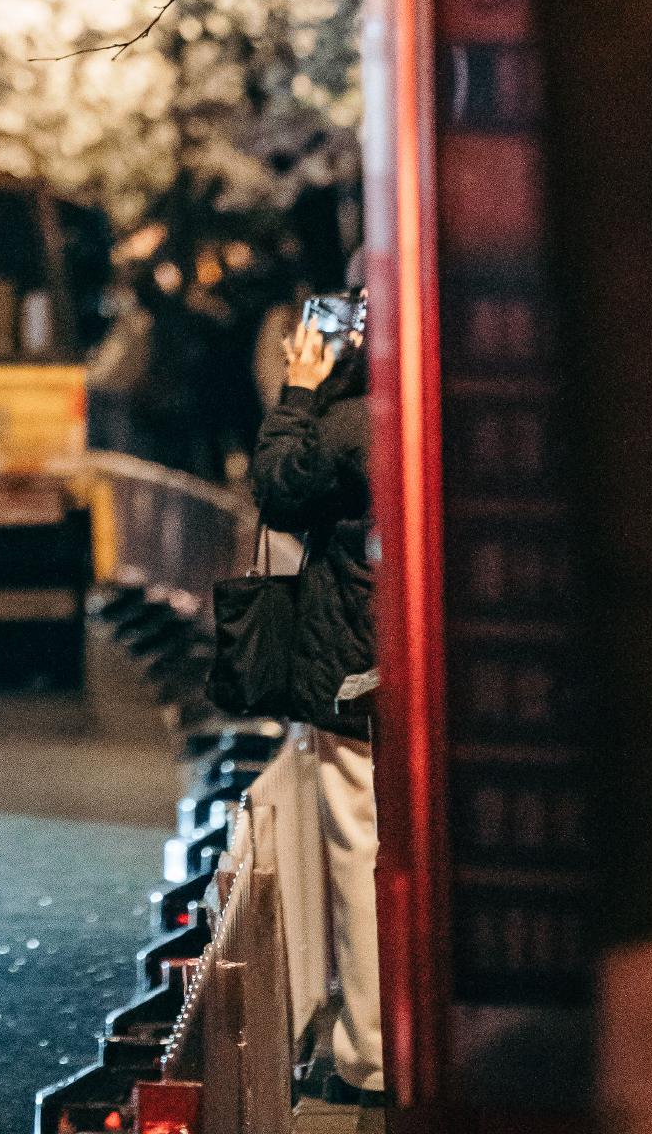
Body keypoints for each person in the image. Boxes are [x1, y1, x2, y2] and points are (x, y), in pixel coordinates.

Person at [252, 298, 382, 1105]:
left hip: (355, 667)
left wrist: (301, 391)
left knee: (360, 849)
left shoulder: (349, 424)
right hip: (433, 662)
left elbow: (278, 489)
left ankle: (371, 1054)